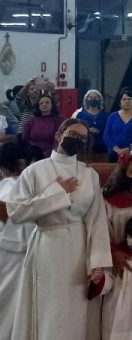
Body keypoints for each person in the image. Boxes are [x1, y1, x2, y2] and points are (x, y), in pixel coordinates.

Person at [8, 119, 111, 340]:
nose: (77, 140)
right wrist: (57, 192)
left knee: (75, 310)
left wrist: (98, 262)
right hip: (47, 245)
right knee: (49, 308)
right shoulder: (35, 171)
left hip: (78, 247)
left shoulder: (88, 174)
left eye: (83, 138)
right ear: (59, 134)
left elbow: (97, 220)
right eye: (73, 134)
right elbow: (16, 213)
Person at [0, 142, 41, 338]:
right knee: (14, 308)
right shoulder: (26, 189)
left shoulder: (4, 187)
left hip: (10, 253)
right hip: (19, 255)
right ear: (23, 164)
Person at [104, 88, 132, 162]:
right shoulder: (112, 116)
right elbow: (106, 135)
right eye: (124, 99)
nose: (127, 101)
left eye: (129, 99)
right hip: (114, 154)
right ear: (120, 101)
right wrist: (117, 149)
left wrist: (129, 148)